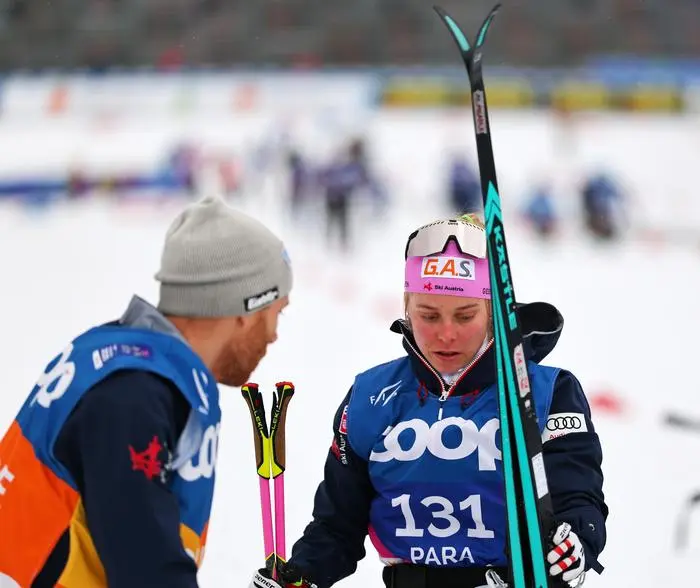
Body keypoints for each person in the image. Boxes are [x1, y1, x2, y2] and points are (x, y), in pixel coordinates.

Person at [251, 214, 607, 588]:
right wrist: (300, 575)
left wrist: (576, 541)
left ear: (495, 314)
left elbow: (577, 496)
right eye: (429, 315)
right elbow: (338, 525)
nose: (446, 334)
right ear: (406, 307)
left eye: (465, 315)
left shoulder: (546, 391)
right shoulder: (370, 397)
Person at [0, 195, 292, 587]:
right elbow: (146, 569)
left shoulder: (126, 363)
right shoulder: (133, 394)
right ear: (244, 308)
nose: (274, 334)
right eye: (276, 313)